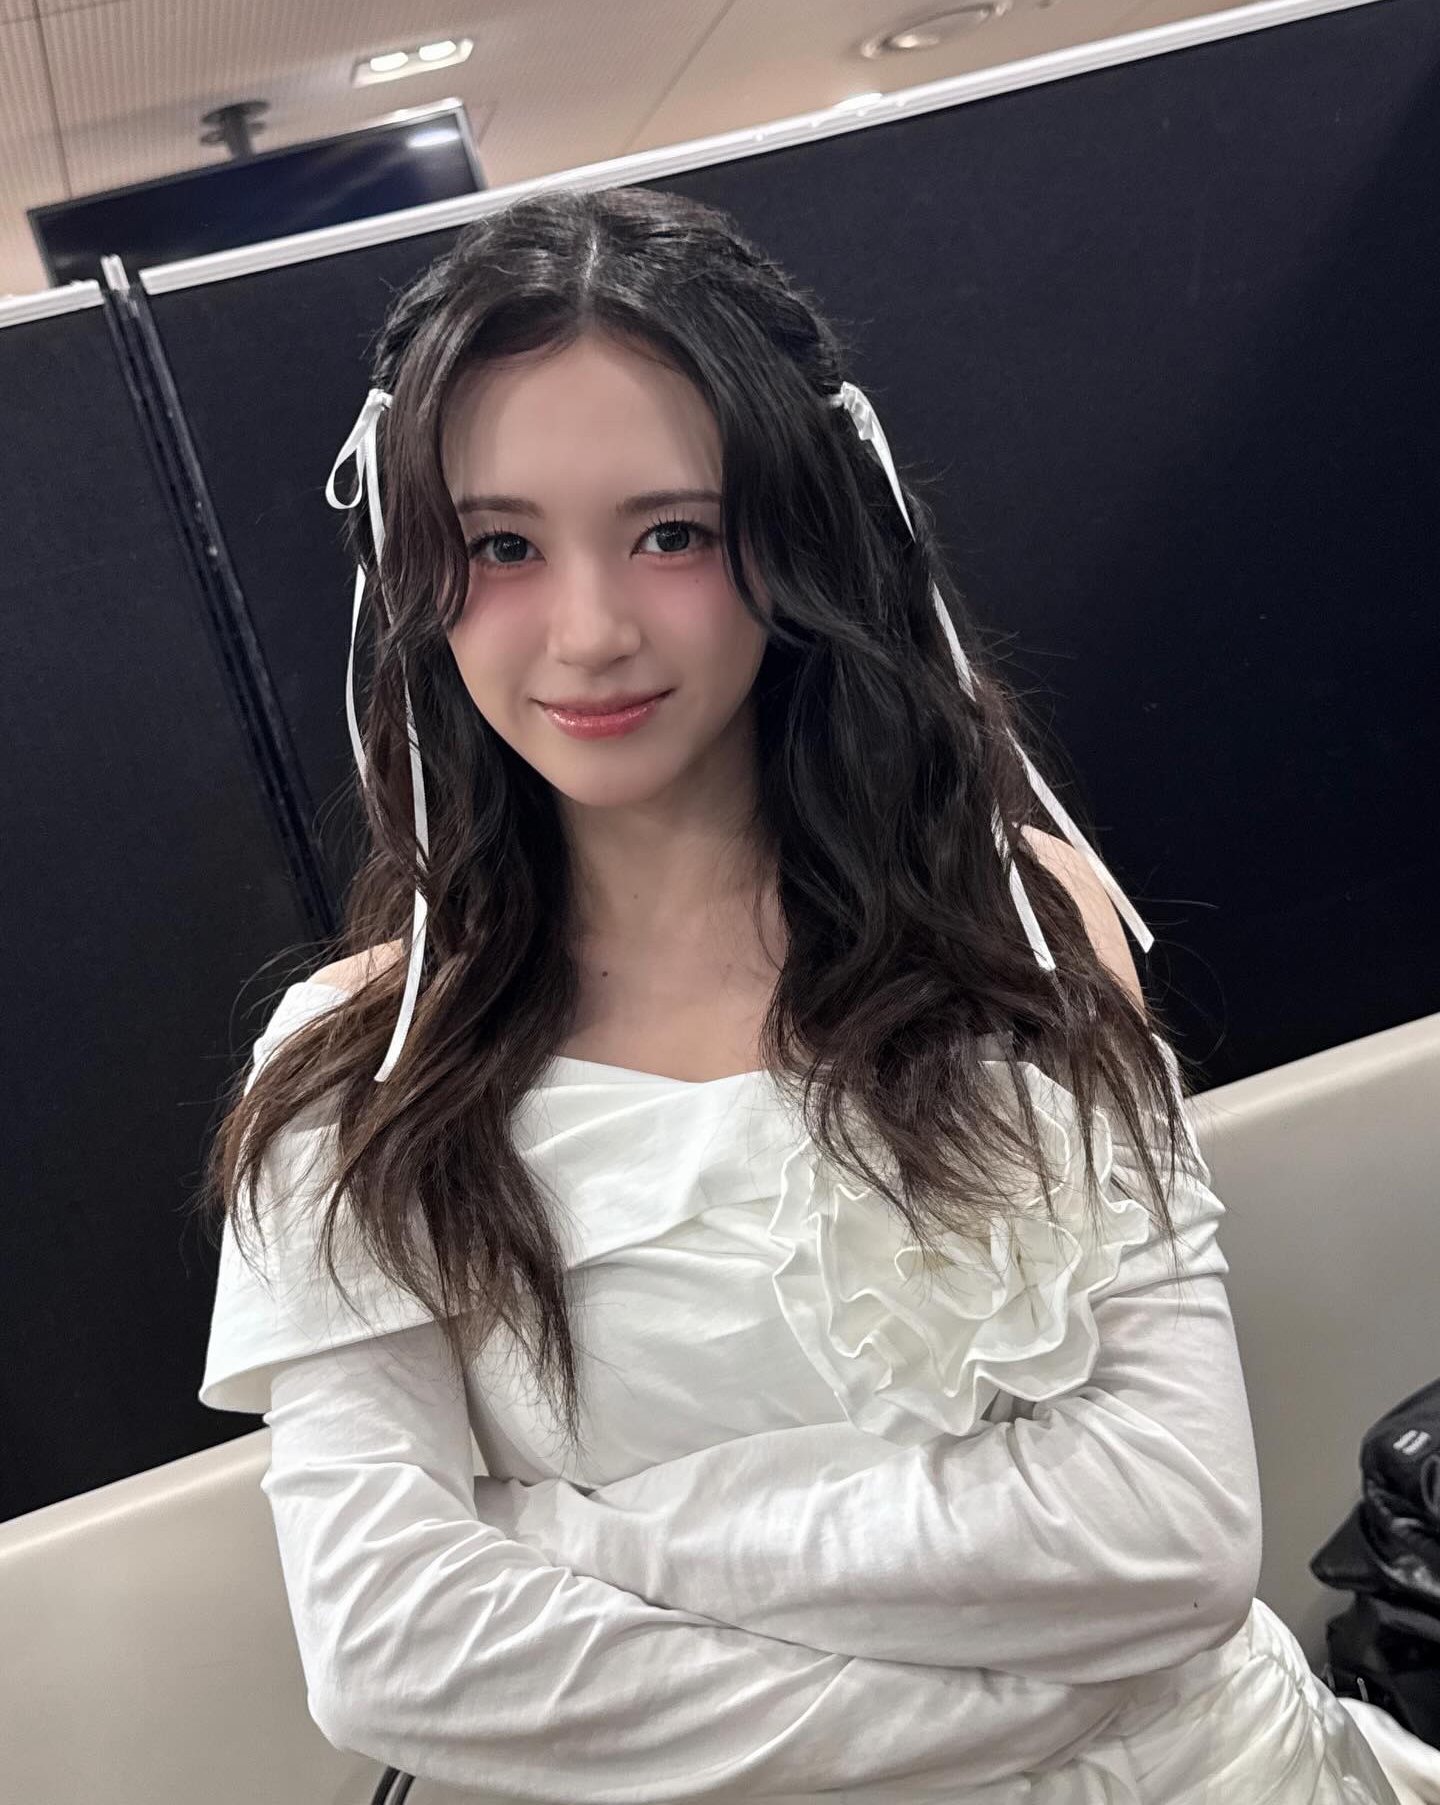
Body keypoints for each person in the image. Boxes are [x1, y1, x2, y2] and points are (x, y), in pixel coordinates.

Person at [194, 185, 1400, 1803]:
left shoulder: (1013, 928)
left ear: (801, 533)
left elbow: (1171, 1531)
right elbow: (394, 1648)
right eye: (500, 546)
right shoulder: (360, 1073)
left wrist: (565, 1537)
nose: (590, 632)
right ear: (412, 574)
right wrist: (1030, 1703)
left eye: (672, 533)